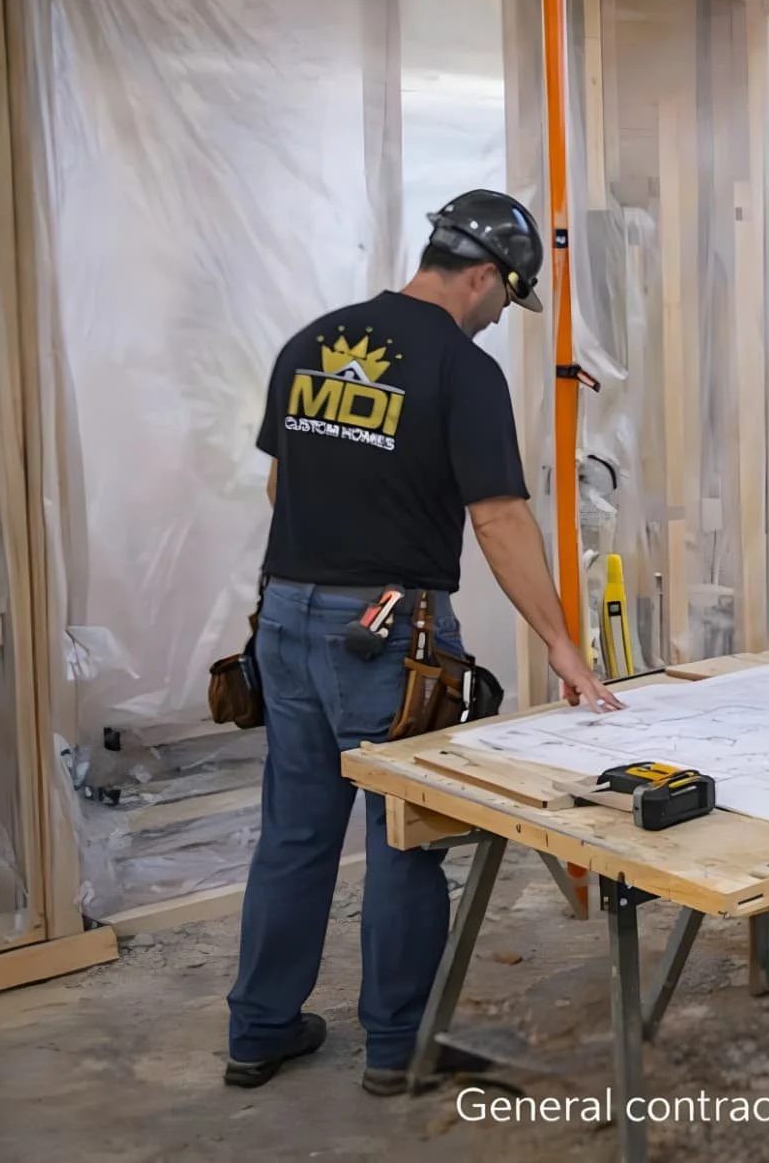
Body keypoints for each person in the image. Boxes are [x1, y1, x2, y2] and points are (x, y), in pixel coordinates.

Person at [224, 189, 623, 1095]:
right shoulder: (458, 367)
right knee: (404, 836)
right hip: (385, 636)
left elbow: (282, 487)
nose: (496, 318)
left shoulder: (313, 341)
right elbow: (499, 518)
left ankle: (259, 1031)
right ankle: (398, 1046)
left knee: (294, 832)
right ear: (482, 274)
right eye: (502, 298)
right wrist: (562, 643)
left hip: (283, 617)